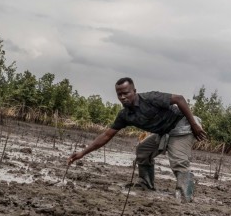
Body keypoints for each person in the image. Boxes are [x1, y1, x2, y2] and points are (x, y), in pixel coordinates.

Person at [68, 77, 207, 201]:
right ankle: (145, 184)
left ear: (134, 91)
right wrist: (82, 153)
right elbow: (106, 135)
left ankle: (185, 197)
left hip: (182, 126)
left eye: (126, 93)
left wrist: (194, 125)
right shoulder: (125, 115)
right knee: (143, 150)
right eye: (119, 94)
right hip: (164, 132)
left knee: (178, 161)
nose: (122, 97)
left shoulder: (151, 98)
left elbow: (179, 99)